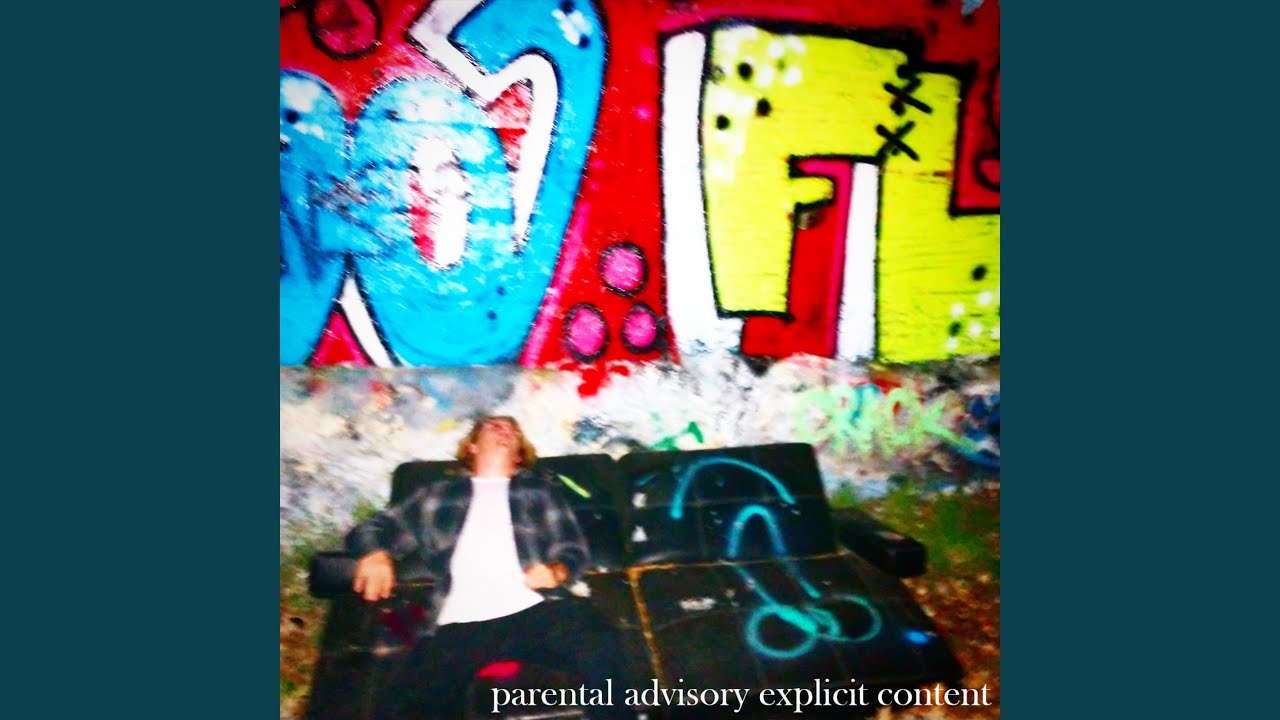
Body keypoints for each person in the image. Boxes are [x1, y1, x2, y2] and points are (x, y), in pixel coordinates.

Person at [346, 415, 631, 720]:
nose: (505, 431)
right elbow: (373, 528)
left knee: (599, 641)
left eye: (513, 430)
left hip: (536, 609)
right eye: (494, 426)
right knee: (410, 705)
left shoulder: (539, 492)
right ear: (471, 446)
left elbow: (572, 549)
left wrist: (557, 571)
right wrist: (374, 554)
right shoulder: (437, 495)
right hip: (460, 621)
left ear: (519, 455)